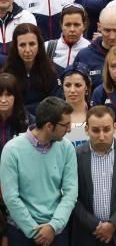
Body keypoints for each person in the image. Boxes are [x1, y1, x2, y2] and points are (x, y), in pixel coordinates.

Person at [0, 96, 77, 246]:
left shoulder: (67, 147)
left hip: (57, 232)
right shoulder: (12, 149)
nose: (69, 129)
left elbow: (71, 193)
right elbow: (11, 197)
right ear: (49, 126)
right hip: (21, 233)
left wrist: (53, 226)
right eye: (65, 125)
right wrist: (35, 232)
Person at [73, 104, 116, 246]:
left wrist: (113, 224)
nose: (102, 136)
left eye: (106, 129)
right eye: (96, 130)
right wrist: (96, 225)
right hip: (87, 235)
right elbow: (72, 197)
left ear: (115, 127)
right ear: (86, 129)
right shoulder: (75, 156)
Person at [3, 23, 61, 114]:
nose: (28, 50)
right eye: (22, 45)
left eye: (32, 44)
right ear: (15, 47)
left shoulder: (52, 71)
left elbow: (56, 103)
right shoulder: (6, 74)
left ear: (39, 45)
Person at [45, 5, 90, 73]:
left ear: (84, 26)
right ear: (61, 25)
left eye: (76, 25)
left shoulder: (91, 49)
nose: (72, 29)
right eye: (68, 25)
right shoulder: (47, 47)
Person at [61, 62, 92, 147]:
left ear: (86, 87)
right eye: (67, 85)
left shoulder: (96, 113)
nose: (72, 90)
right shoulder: (53, 116)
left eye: (78, 85)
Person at [0, 72, 31, 156]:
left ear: (16, 96)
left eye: (8, 95)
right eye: (0, 95)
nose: (3, 100)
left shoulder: (28, 121)